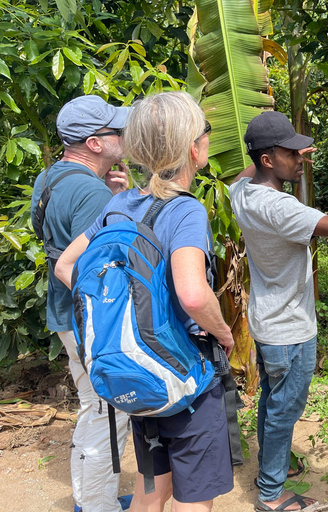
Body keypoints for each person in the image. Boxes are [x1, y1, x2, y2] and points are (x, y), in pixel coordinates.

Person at [55, 91, 236, 512]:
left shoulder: (120, 204)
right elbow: (192, 294)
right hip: (187, 375)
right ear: (194, 148)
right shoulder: (185, 211)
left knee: (150, 491)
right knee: (194, 498)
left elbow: (67, 267)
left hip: (138, 371)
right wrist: (223, 332)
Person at [228, 111, 328, 511]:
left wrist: (279, 151)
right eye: (290, 153)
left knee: (272, 400)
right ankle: (271, 493)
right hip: (289, 328)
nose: (300, 159)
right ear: (266, 160)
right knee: (285, 408)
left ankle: (270, 467)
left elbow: (247, 172)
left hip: (267, 321)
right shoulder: (279, 207)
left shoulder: (241, 191)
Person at [30, 95, 132, 512]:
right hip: (89, 320)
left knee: (93, 405)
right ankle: (98, 506)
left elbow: (54, 233)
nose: (124, 136)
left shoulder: (51, 177)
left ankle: (88, 499)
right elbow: (95, 271)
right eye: (116, 132)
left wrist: (105, 195)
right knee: (110, 412)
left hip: (63, 314)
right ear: (94, 143)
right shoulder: (90, 192)